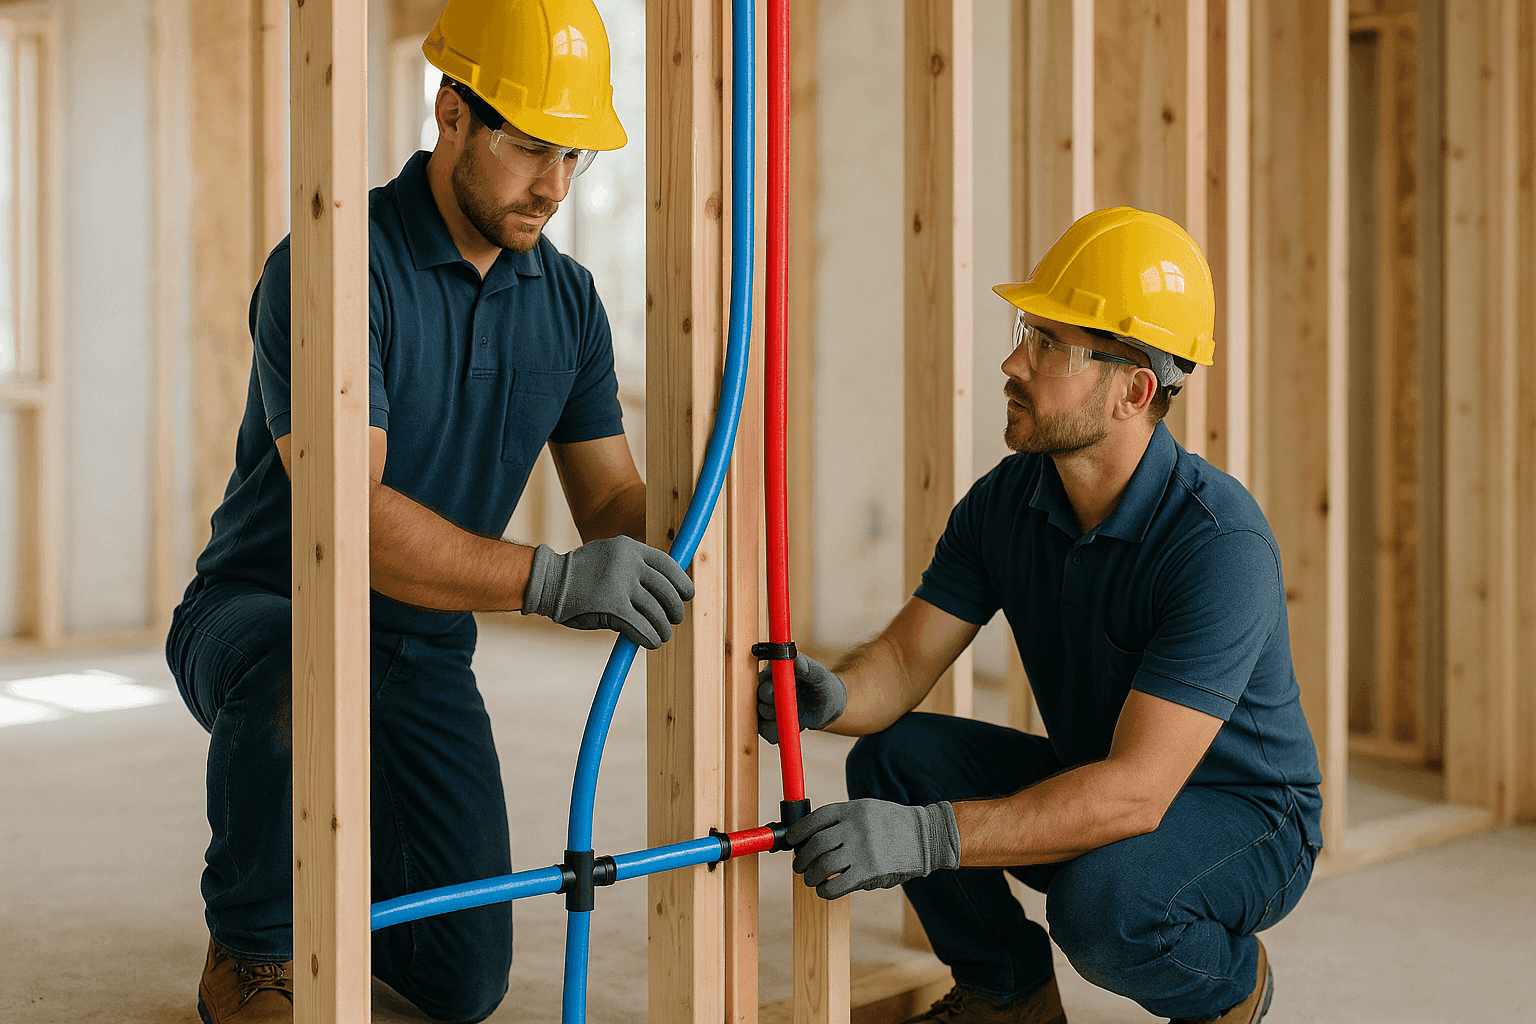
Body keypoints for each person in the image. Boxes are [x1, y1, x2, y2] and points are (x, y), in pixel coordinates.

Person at [164, 3, 691, 1022]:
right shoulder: (335, 266)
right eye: (529, 145)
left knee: (463, 982)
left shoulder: (568, 302)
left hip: (423, 645)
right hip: (269, 612)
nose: (554, 185)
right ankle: (253, 948)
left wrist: (707, 497)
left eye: (573, 155)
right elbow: (345, 519)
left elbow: (613, 507)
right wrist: (549, 581)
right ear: (451, 113)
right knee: (298, 669)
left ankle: (328, 883)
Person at [761, 208, 1322, 1024]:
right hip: (1104, 778)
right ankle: (1009, 995)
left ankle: (1231, 986)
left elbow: (1136, 794)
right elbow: (906, 662)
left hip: (1247, 818)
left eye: (1050, 345)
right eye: (1028, 332)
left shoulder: (1218, 545)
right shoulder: (1010, 500)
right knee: (897, 759)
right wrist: (833, 695)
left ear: (1134, 390)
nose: (1012, 362)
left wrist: (929, 838)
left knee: (1103, 906)